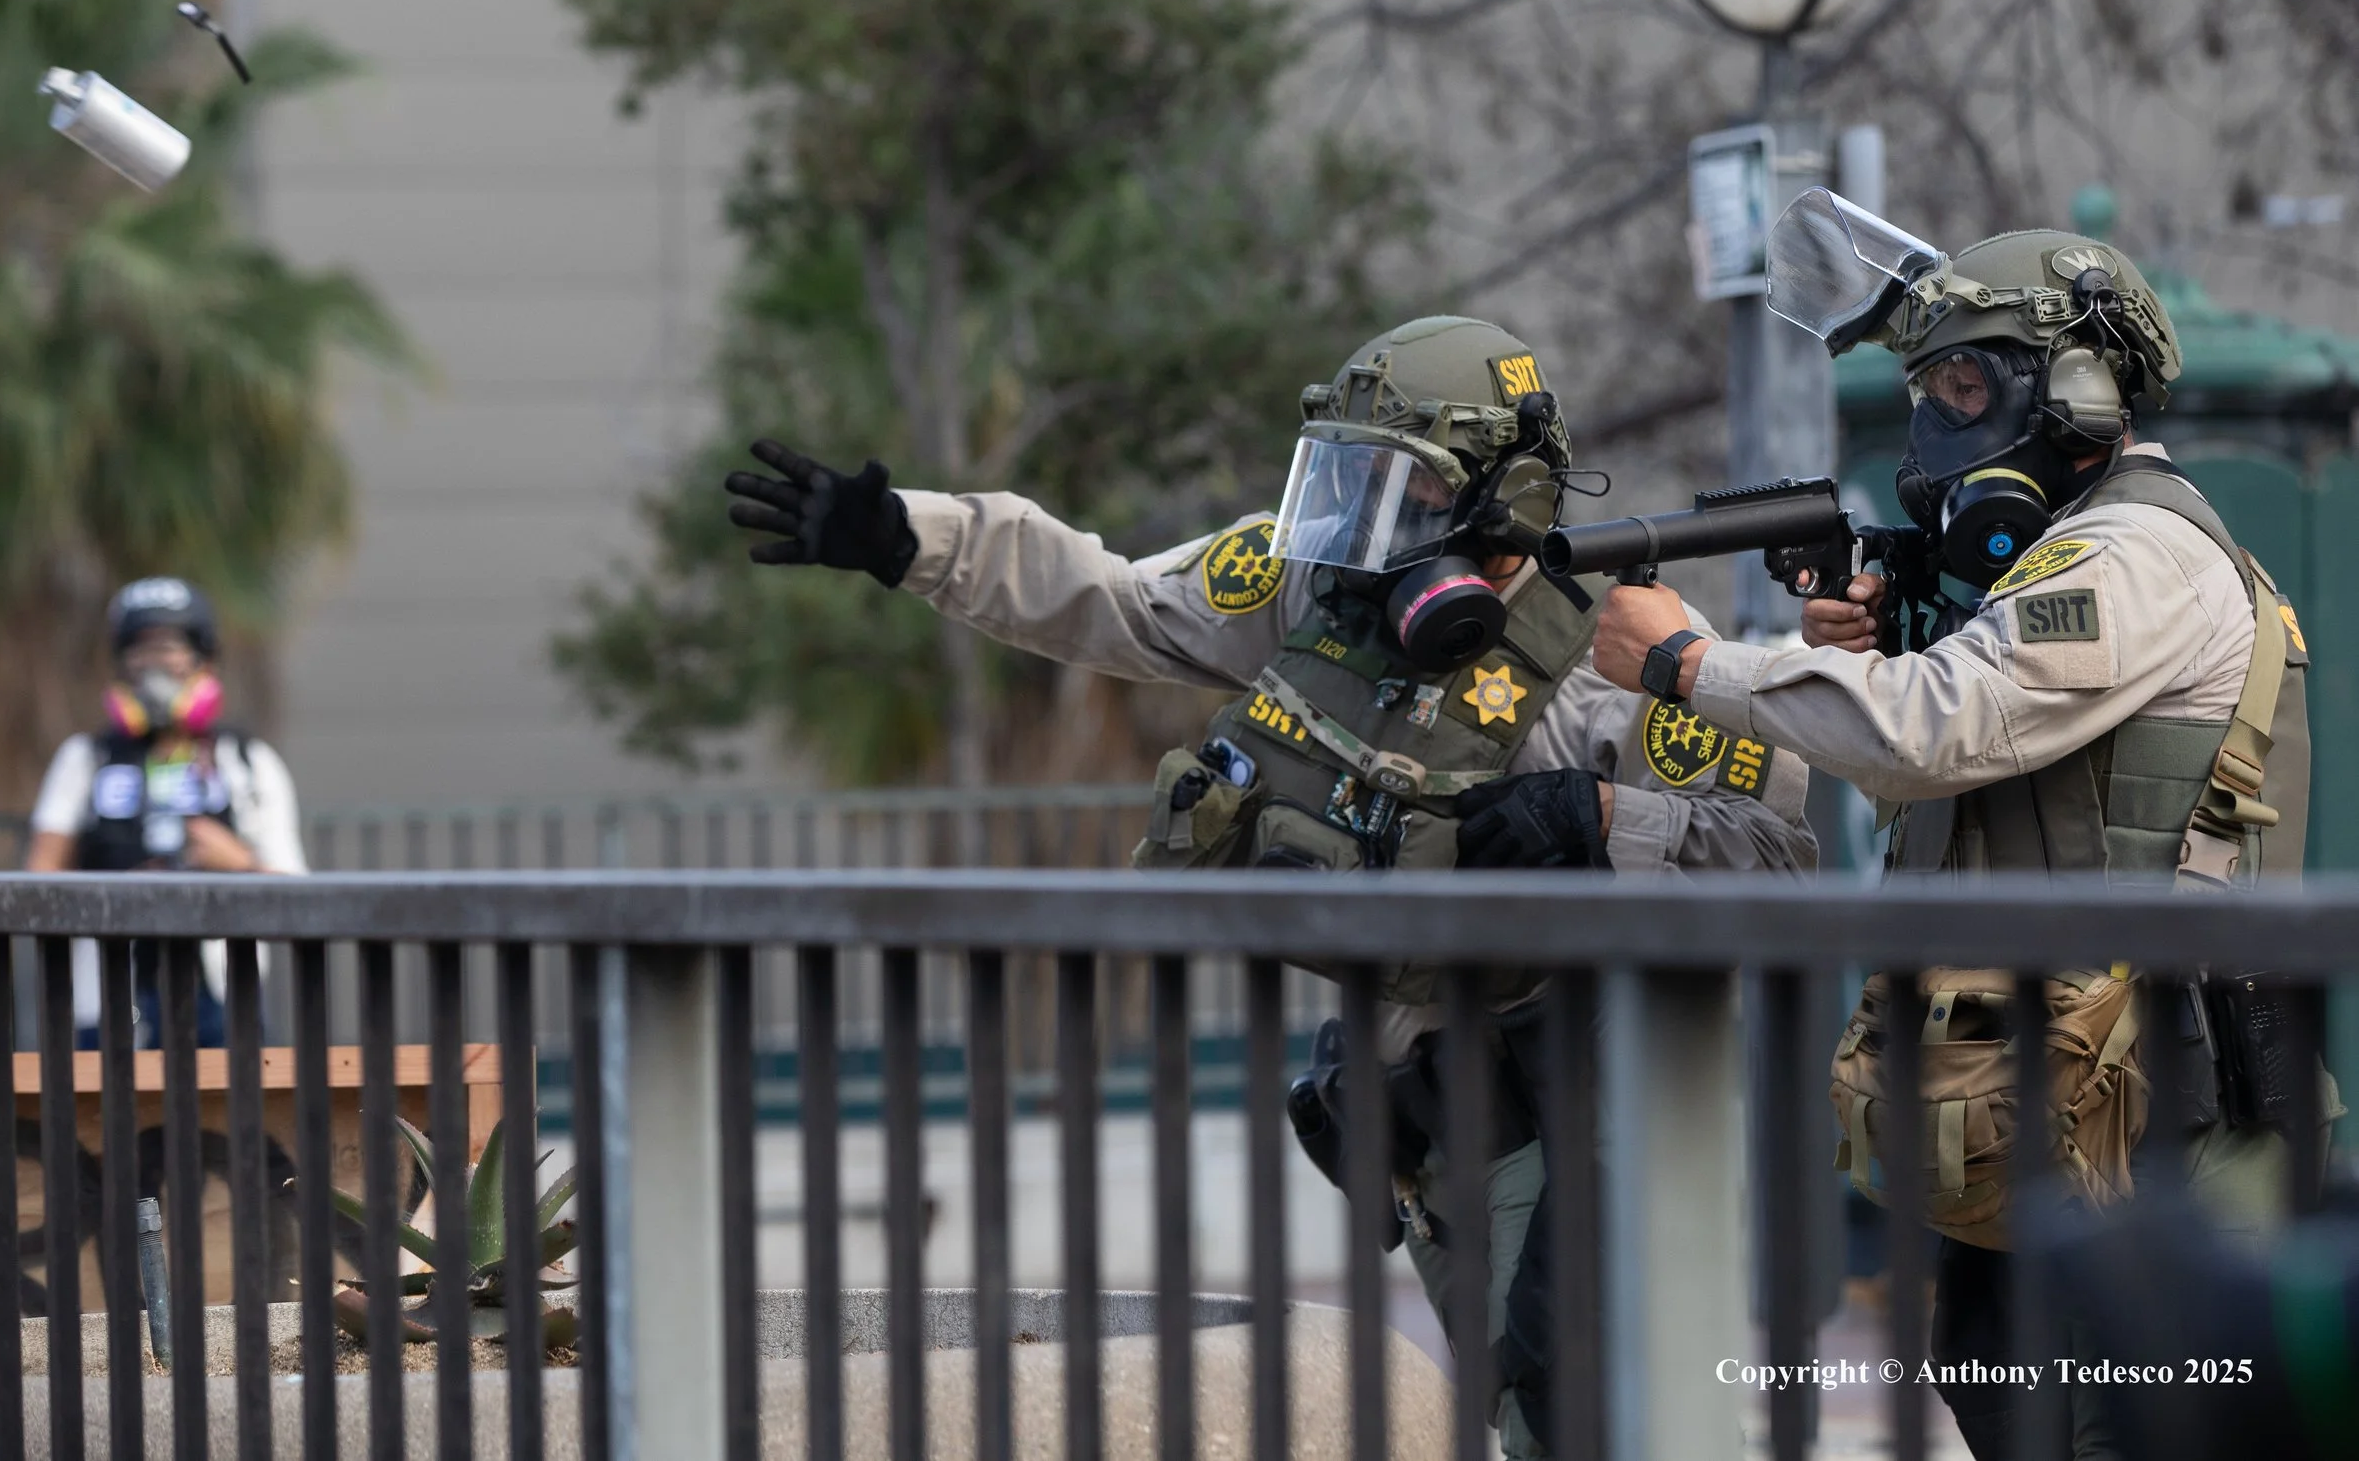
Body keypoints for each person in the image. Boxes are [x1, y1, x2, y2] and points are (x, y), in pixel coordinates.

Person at [727, 314, 1817, 1459]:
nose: (1363, 521)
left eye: (1403, 489)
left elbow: (1780, 855)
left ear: (1510, 498)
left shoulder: (1617, 650)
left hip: (1577, 1106)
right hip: (1428, 1117)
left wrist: (1600, 819)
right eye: (1350, 479)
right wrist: (908, 536)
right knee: (1525, 1412)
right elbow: (1119, 601)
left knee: (1594, 1413)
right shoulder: (1317, 591)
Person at [1587, 201, 2322, 1460]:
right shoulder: (2049, 564)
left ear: (2081, 389)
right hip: (2050, 1108)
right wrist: (1888, 637)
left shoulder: (2135, 548)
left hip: (2164, 1132)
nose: (1938, 426)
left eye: (1969, 385)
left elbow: (1938, 727)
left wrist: (1691, 663)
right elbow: (1950, 782)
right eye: (1928, 389)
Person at [28, 577, 308, 1046]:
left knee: (231, 1117)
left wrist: (238, 863)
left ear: (204, 661)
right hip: (111, 992)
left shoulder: (246, 762)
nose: (155, 667)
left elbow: (301, 899)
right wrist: (110, 895)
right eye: (140, 651)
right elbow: (38, 876)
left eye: (171, 649)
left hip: (223, 991)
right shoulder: (86, 758)